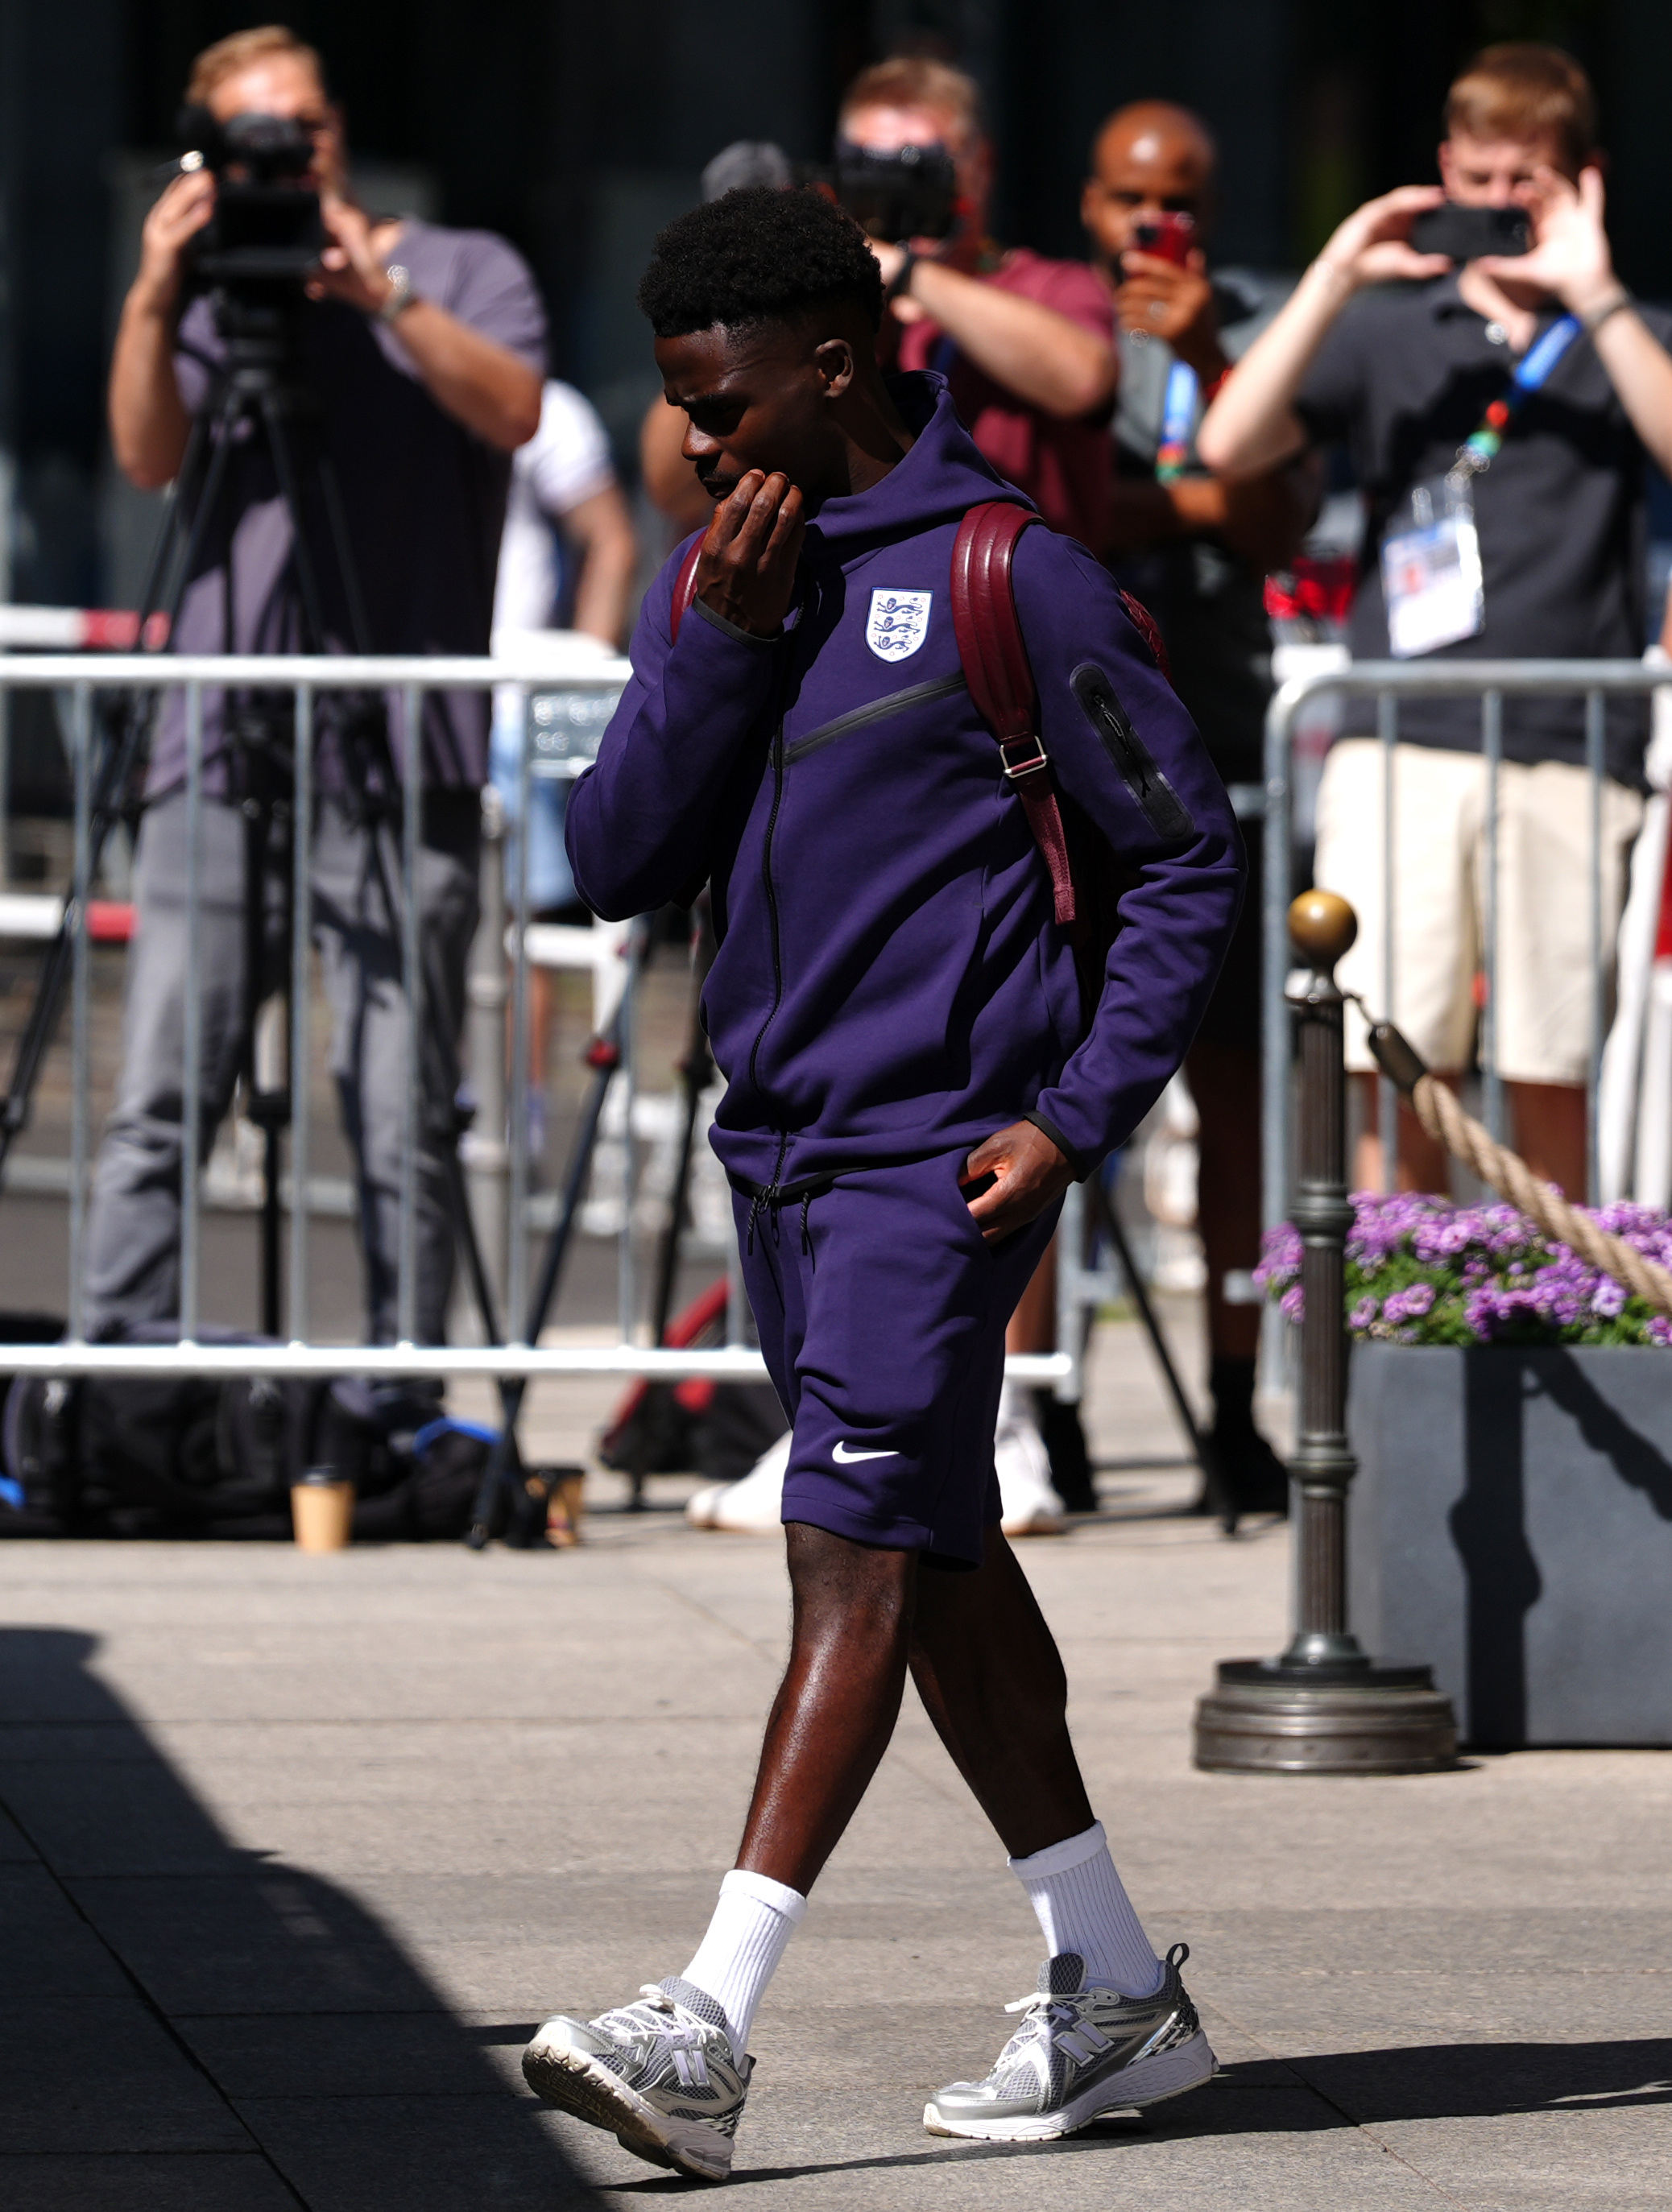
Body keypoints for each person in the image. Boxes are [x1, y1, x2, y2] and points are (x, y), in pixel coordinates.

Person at [519, 184, 1240, 2179]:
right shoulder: (711, 581)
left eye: (721, 403)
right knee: (929, 1561)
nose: (694, 443)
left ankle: (705, 2018)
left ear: (832, 366)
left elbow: (1184, 862)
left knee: (845, 1545)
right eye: (673, 407)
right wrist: (725, 650)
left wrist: (1073, 1112)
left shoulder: (1018, 574)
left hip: (943, 1163)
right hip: (780, 1147)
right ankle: (1112, 1988)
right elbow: (611, 853)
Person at [93, 24, 544, 1344]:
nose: (286, 159)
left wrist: (378, 295)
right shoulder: (209, 287)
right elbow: (142, 454)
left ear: (338, 129)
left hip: (406, 752)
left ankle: (396, 1392)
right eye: (252, 141)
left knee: (401, 1102)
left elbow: (515, 408)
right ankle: (110, 1387)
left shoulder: (461, 267)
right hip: (221, 735)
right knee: (165, 1085)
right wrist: (150, 290)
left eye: (302, 130)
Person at [1198, 42, 1672, 1198]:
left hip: (1569, 742)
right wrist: (1337, 272)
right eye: (1484, 180)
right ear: (1444, 171)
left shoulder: (1627, 330)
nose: (1504, 208)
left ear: (1585, 181)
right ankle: (1398, 1336)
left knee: (1550, 1061)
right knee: (1398, 1058)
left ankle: (1560, 1320)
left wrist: (1594, 287)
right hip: (1398, 743)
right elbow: (1227, 444)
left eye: (1534, 185)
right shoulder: (1387, 326)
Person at [842, 55, 1122, 1510]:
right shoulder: (832, 305)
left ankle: (1005, 1410)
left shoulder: (1040, 285)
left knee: (1016, 1065)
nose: (885, 187)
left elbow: (1083, 376)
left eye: (915, 163)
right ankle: (866, 1391)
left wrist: (923, 273)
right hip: (873, 739)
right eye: (863, 161)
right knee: (887, 1053)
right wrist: (844, 283)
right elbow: (669, 463)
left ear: (974, 167)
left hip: (1025, 726)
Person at [1082, 101, 1318, 1515]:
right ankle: (1036, 1417)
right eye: (1125, 199)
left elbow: (1279, 520)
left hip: (1220, 749)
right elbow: (1082, 512)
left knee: (1235, 1104)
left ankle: (1237, 1408)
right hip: (1075, 753)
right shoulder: (1055, 325)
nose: (1147, 227)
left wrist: (1206, 364)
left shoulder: (1246, 333)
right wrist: (1192, 497)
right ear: (1089, 200)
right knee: (1040, 1092)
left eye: (1175, 202)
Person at [488, 380, 635, 1135]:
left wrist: (577, 691)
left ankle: (522, 1115)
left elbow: (613, 539)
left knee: (521, 930)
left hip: (511, 709)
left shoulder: (545, 407)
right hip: (425, 704)